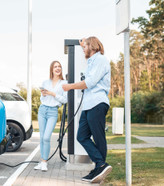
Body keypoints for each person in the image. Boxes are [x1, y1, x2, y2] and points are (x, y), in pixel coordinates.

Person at [62, 36, 112, 183]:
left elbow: (89, 82)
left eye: (85, 46)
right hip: (88, 105)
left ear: (93, 46)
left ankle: (100, 166)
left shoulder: (101, 60)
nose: (83, 48)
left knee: (98, 137)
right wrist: (84, 44)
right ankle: (100, 164)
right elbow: (89, 76)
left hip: (97, 103)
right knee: (81, 136)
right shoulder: (92, 61)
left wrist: (70, 86)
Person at [34, 60, 67, 171]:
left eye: (59, 67)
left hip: (53, 111)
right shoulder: (45, 82)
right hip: (42, 110)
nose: (57, 68)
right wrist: (43, 94)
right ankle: (43, 161)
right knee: (42, 137)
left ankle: (44, 162)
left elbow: (65, 100)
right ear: (51, 69)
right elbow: (42, 99)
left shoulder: (64, 83)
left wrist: (53, 94)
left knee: (47, 137)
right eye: (55, 67)